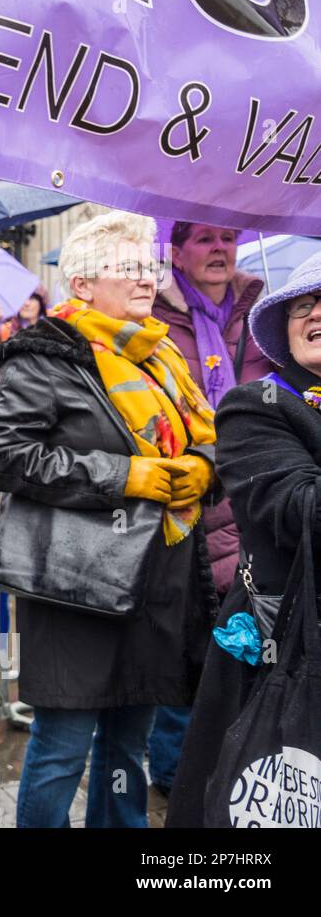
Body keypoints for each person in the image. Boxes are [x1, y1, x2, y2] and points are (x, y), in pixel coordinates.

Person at [0, 210, 219, 828]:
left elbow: (199, 440)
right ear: (82, 284)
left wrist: (203, 468)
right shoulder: (43, 357)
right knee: (63, 744)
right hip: (76, 584)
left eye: (150, 267)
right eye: (128, 268)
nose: (147, 280)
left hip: (155, 577)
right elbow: (4, 457)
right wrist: (123, 477)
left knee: (128, 741)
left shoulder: (161, 357)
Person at [167, 252, 321, 826]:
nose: (315, 314)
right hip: (283, 651)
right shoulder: (257, 406)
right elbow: (300, 511)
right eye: (303, 305)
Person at [146, 221, 271, 797]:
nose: (220, 248)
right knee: (186, 642)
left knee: (249, 639)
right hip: (189, 504)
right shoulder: (153, 318)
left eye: (228, 237)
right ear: (176, 252)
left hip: (258, 501)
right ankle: (177, 778)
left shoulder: (266, 314)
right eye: (204, 239)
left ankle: (241, 761)